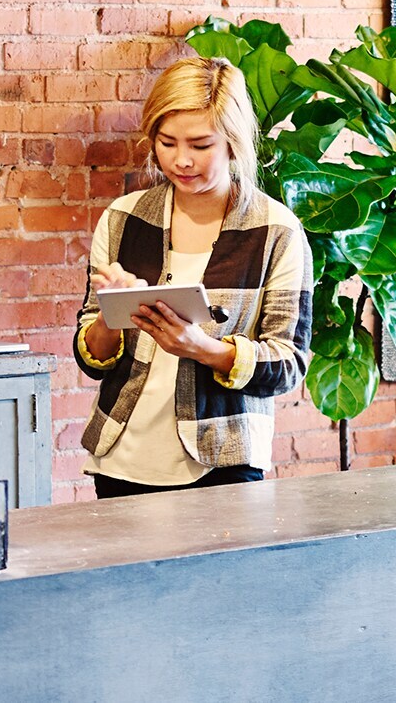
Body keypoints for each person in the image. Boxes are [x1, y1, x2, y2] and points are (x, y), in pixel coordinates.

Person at [74, 56, 314, 498]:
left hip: (221, 462)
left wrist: (203, 349)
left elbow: (289, 363)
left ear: (233, 143)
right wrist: (112, 315)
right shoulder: (123, 219)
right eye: (167, 143)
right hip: (121, 458)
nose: (181, 160)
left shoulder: (275, 229)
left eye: (201, 145)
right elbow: (90, 355)